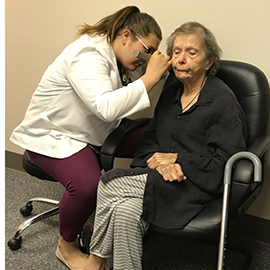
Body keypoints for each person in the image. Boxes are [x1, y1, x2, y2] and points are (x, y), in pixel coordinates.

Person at [9, 6, 171, 270]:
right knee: (87, 186)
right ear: (126, 35)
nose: (145, 59)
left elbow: (123, 98)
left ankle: (132, 212)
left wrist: (160, 69)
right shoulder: (88, 54)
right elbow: (106, 107)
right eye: (146, 51)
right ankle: (67, 246)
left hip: (92, 131)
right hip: (54, 135)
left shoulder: (118, 57)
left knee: (155, 137)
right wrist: (150, 77)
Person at [81, 22, 247, 270]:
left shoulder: (223, 101)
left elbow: (225, 162)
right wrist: (159, 162)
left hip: (196, 184)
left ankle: (95, 262)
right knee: (125, 211)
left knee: (109, 183)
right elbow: (150, 140)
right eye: (177, 52)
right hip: (159, 179)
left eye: (191, 53)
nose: (181, 60)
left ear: (209, 61)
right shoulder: (171, 93)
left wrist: (178, 160)